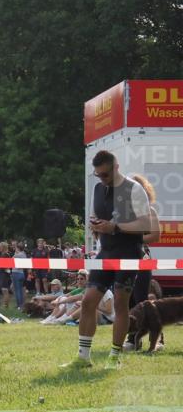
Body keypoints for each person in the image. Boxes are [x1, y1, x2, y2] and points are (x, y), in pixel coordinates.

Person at [63, 150, 153, 369]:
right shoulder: (97, 189)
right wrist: (96, 227)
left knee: (121, 304)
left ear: (116, 167)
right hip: (106, 253)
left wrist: (115, 227)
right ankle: (83, 357)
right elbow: (98, 217)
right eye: (98, 175)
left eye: (105, 174)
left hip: (129, 254)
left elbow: (145, 225)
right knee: (87, 302)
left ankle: (114, 356)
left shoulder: (134, 189)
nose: (102, 179)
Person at [128, 173, 161, 310]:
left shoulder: (150, 211)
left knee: (140, 296)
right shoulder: (122, 212)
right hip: (123, 256)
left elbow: (155, 235)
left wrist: (134, 239)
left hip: (142, 257)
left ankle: (143, 326)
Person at [11, 241, 27, 309]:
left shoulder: (17, 255)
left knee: (17, 290)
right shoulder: (24, 254)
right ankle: (22, 305)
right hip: (22, 273)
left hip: (16, 273)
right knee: (20, 290)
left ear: (18, 248)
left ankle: (19, 305)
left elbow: (11, 260)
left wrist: (15, 253)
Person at [0, 242, 12, 309]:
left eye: (0, 246)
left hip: (5, 274)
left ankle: (6, 306)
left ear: (3, 247)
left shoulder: (5, 255)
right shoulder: (3, 254)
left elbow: (7, 266)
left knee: (5, 290)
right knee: (3, 290)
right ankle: (5, 305)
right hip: (2, 274)